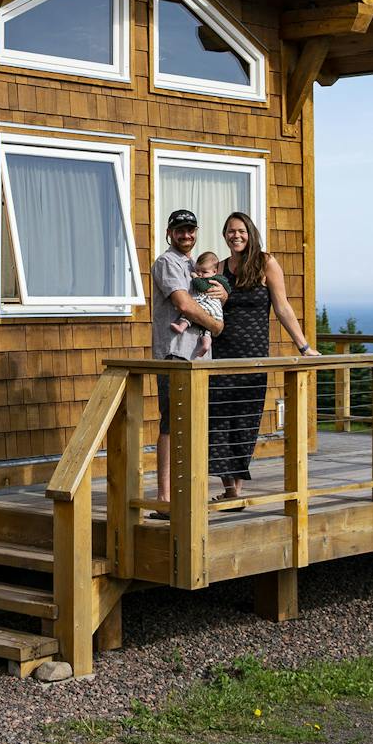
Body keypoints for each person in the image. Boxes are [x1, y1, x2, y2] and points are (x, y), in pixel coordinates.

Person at [209, 211, 313, 500]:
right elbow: (208, 309)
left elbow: (282, 308)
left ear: (250, 233)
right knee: (219, 420)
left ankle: (236, 490)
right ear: (224, 235)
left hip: (254, 356)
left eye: (241, 230)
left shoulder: (266, 263)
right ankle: (229, 490)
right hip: (223, 353)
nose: (236, 235)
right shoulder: (218, 267)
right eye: (230, 231)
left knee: (245, 419)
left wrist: (303, 346)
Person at [151, 210, 226, 517]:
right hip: (174, 354)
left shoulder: (195, 266)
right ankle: (165, 498)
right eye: (180, 230)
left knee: (195, 424)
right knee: (171, 424)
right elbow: (182, 303)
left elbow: (214, 294)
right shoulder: (166, 262)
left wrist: (221, 294)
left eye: (190, 230)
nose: (186, 235)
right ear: (170, 232)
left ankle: (191, 492)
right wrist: (216, 325)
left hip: (198, 356)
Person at [169, 251, 229, 358]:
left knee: (190, 312)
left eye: (204, 272)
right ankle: (206, 344)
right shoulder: (221, 280)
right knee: (205, 329)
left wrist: (194, 276)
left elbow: (200, 286)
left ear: (214, 271)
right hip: (216, 312)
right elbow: (227, 287)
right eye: (197, 270)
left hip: (208, 306)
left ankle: (182, 326)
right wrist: (225, 292)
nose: (200, 274)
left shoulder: (209, 280)